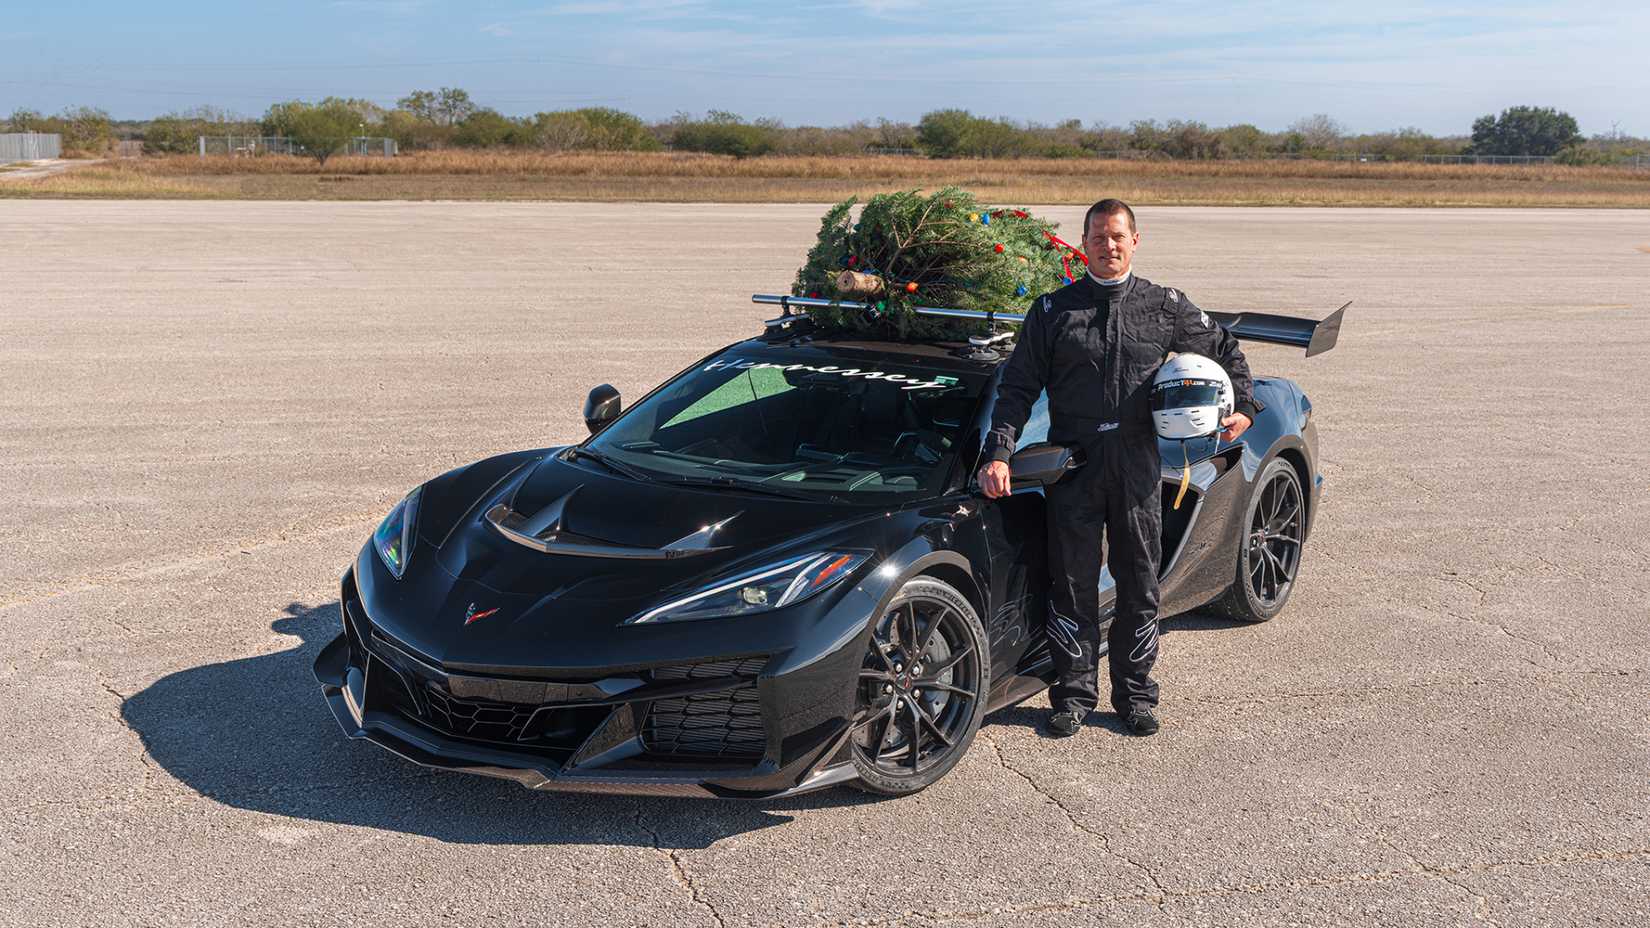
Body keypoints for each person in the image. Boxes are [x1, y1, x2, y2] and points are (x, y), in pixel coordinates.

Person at [977, 199, 1260, 738]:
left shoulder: (1166, 306)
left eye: (1117, 236)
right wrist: (1000, 450)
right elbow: (1016, 388)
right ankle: (1073, 696)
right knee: (1072, 583)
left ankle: (1135, 695)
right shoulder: (1052, 311)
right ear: (1082, 244)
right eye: (1098, 237)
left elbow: (1224, 348)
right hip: (1074, 469)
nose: (1108, 246)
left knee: (1138, 583)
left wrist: (1243, 407)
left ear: (1135, 240)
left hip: (1137, 466)